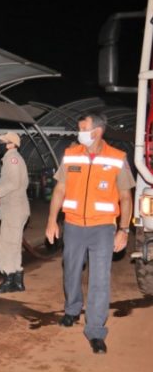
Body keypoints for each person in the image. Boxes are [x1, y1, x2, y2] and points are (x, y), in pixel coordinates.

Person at [45, 113, 134, 354]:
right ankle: (72, 311)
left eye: (83, 127)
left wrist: (124, 230)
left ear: (97, 131)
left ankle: (95, 331)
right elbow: (60, 189)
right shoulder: (71, 154)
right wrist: (52, 220)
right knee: (71, 271)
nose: (79, 131)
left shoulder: (117, 158)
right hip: (73, 225)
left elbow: (126, 197)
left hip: (103, 228)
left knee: (100, 280)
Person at [0, 132, 30, 293]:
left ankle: (8, 280)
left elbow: (13, 184)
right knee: (13, 245)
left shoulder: (12, 159)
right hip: (14, 208)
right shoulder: (11, 158)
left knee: (7, 246)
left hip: (14, 210)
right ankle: (17, 281)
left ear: (11, 144)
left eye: (2, 141)